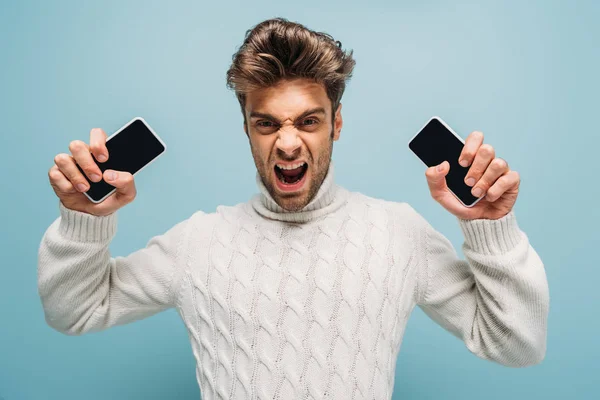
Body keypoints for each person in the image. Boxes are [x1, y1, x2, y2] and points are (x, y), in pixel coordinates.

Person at [38, 17, 549, 400]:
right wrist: (86, 221)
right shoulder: (197, 244)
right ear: (247, 128)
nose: (287, 144)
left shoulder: (396, 234)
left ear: (337, 123)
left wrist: (493, 231)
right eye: (267, 124)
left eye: (308, 122)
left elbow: (518, 345)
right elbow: (75, 311)